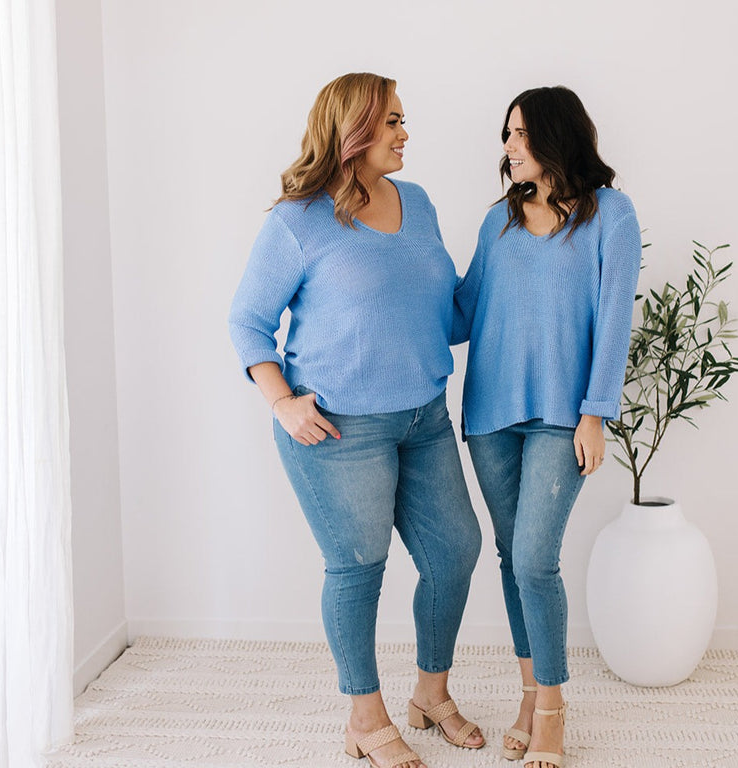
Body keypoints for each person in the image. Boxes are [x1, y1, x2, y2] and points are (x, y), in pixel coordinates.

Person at [229, 72, 485, 768]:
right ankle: (364, 719)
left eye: (403, 120)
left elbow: (448, 315)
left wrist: (506, 244)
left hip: (424, 417)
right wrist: (282, 401)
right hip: (337, 429)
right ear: (355, 130)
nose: (405, 133)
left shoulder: (418, 202)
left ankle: (430, 694)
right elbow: (247, 322)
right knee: (357, 568)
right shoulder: (298, 220)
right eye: (392, 121)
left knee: (455, 552)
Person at [453, 86, 642, 768]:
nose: (508, 146)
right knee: (514, 557)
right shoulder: (497, 221)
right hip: (490, 415)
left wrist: (595, 414)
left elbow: (615, 322)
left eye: (521, 133)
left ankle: (553, 712)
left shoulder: (610, 214)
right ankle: (530, 696)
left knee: (535, 558)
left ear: (557, 136)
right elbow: (463, 311)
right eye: (506, 134)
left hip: (564, 417)